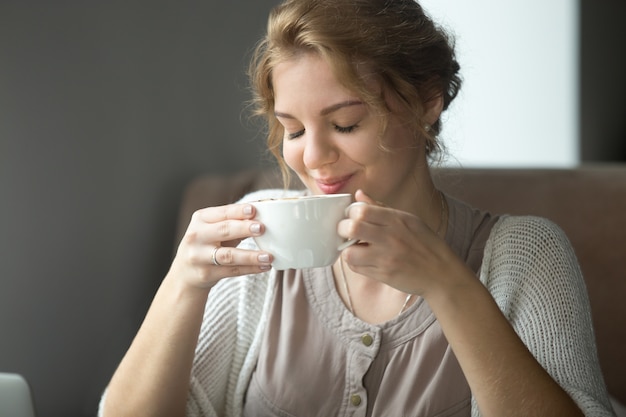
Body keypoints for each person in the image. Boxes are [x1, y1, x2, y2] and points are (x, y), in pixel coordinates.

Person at [99, 0, 615, 416]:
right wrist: (182, 285)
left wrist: (447, 284)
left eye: (345, 123)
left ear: (428, 101)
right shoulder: (256, 235)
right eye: (294, 130)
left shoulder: (524, 252)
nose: (313, 156)